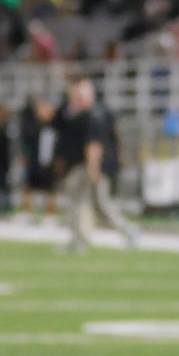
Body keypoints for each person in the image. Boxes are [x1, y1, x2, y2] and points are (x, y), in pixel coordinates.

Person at [55, 76, 138, 253]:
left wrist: (94, 167)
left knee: (98, 203)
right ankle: (81, 240)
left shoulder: (95, 115)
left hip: (92, 165)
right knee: (83, 202)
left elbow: (95, 144)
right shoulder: (80, 114)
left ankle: (126, 230)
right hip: (84, 164)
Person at [18, 96, 59, 218]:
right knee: (28, 186)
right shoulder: (33, 126)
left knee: (50, 188)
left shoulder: (54, 125)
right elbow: (26, 141)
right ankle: (25, 212)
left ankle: (50, 214)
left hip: (49, 161)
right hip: (35, 160)